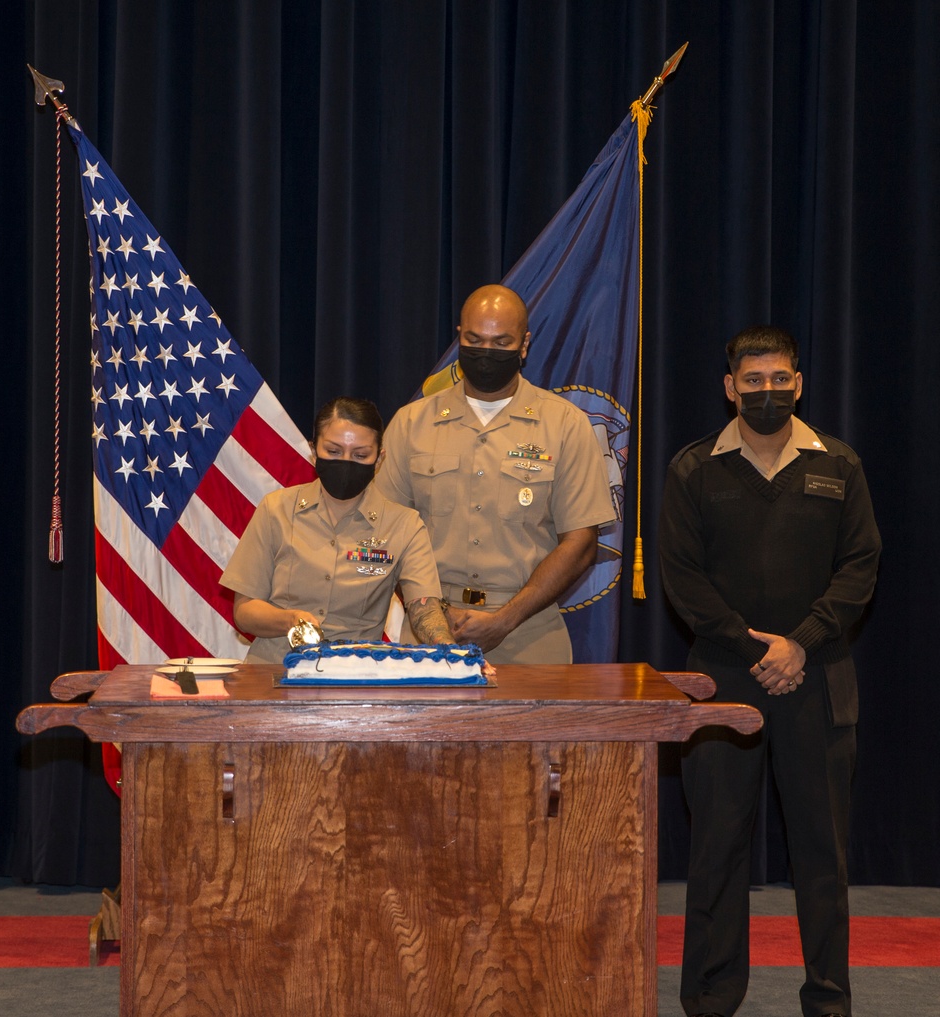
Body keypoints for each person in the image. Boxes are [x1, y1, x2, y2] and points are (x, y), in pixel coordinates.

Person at [658, 326, 881, 1017]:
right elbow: (682, 578)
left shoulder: (837, 464)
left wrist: (801, 642)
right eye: (752, 381)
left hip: (817, 681)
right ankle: (711, 998)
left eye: (779, 378)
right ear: (730, 387)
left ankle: (829, 998)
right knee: (718, 850)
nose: (766, 392)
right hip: (724, 684)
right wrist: (757, 649)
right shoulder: (693, 468)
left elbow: (861, 566)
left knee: (823, 852)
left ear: (799, 382)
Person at [374, 283, 615, 665]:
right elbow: (384, 534)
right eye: (475, 339)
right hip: (429, 630)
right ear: (459, 337)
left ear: (524, 344)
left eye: (502, 342)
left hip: (529, 633)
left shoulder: (565, 424)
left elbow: (580, 543)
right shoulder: (411, 423)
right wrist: (434, 622)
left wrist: (504, 620)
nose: (486, 352)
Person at [221, 396, 453, 663]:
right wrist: (289, 619)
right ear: (313, 450)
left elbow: (424, 607)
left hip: (355, 679)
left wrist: (450, 651)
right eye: (333, 451)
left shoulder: (404, 525)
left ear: (379, 460)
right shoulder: (276, 510)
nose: (345, 462)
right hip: (273, 671)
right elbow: (245, 612)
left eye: (360, 455)